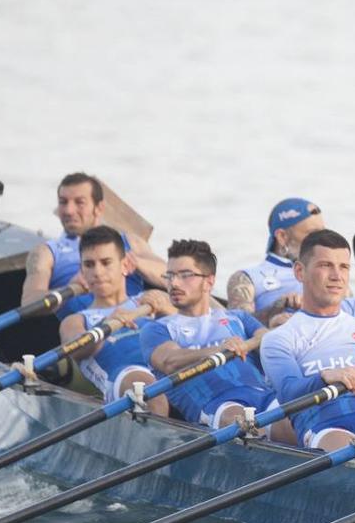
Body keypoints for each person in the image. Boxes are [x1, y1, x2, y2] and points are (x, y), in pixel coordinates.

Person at [139, 239, 292, 440]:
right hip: (217, 405)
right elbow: (170, 361)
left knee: (299, 426)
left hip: (262, 395)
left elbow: (264, 336)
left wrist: (247, 344)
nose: (174, 283)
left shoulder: (237, 317)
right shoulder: (157, 328)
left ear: (209, 281)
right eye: (170, 276)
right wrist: (220, 349)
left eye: (185, 275)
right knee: (241, 424)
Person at [260, 229, 355, 453]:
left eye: (343, 267)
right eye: (325, 265)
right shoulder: (279, 339)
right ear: (300, 272)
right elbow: (289, 393)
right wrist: (324, 377)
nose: (337, 276)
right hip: (325, 426)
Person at [58, 226, 175, 416]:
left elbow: (196, 329)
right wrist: (106, 325)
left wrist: (168, 309)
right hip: (126, 375)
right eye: (89, 265)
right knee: (150, 392)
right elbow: (76, 349)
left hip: (171, 365)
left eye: (106, 262)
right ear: (82, 272)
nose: (97, 271)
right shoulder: (76, 320)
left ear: (125, 265)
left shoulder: (149, 299)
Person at [20, 172, 165, 319]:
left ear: (99, 208)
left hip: (135, 321)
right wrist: (67, 289)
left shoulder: (129, 241)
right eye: (63, 202)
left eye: (79, 202)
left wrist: (135, 263)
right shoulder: (46, 252)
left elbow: (171, 277)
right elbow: (28, 303)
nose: (69, 211)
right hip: (85, 329)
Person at [226, 197, 326, 327]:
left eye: (324, 233)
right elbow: (237, 329)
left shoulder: (334, 273)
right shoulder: (245, 278)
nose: (322, 240)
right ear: (282, 237)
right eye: (312, 234)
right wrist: (276, 308)